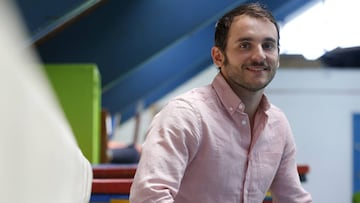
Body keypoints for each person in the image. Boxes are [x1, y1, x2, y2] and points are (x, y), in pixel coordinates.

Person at [129, 2, 312, 203]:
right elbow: (148, 197)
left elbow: (293, 199)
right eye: (245, 45)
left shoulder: (278, 124)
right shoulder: (185, 115)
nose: (259, 55)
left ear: (277, 57)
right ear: (218, 56)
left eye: (268, 45)